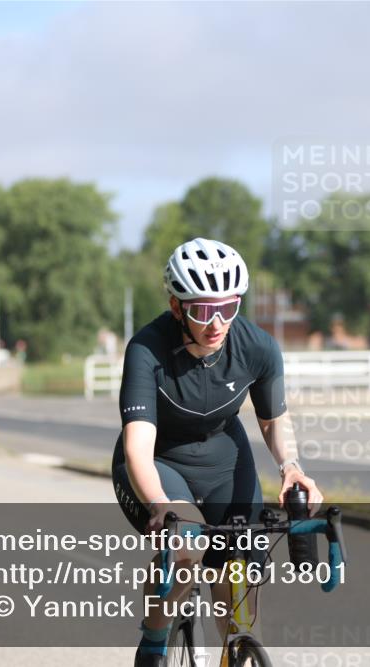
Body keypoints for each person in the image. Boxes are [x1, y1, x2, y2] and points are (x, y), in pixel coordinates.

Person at [112, 237, 322, 666]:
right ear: (176, 307)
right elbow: (137, 444)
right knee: (185, 547)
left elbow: (273, 418)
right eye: (203, 310)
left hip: (225, 460)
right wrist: (159, 503)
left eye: (228, 308)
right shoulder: (146, 350)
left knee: (241, 564)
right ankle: (154, 643)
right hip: (158, 462)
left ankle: (240, 649)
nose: (217, 322)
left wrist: (291, 468)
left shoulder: (258, 347)